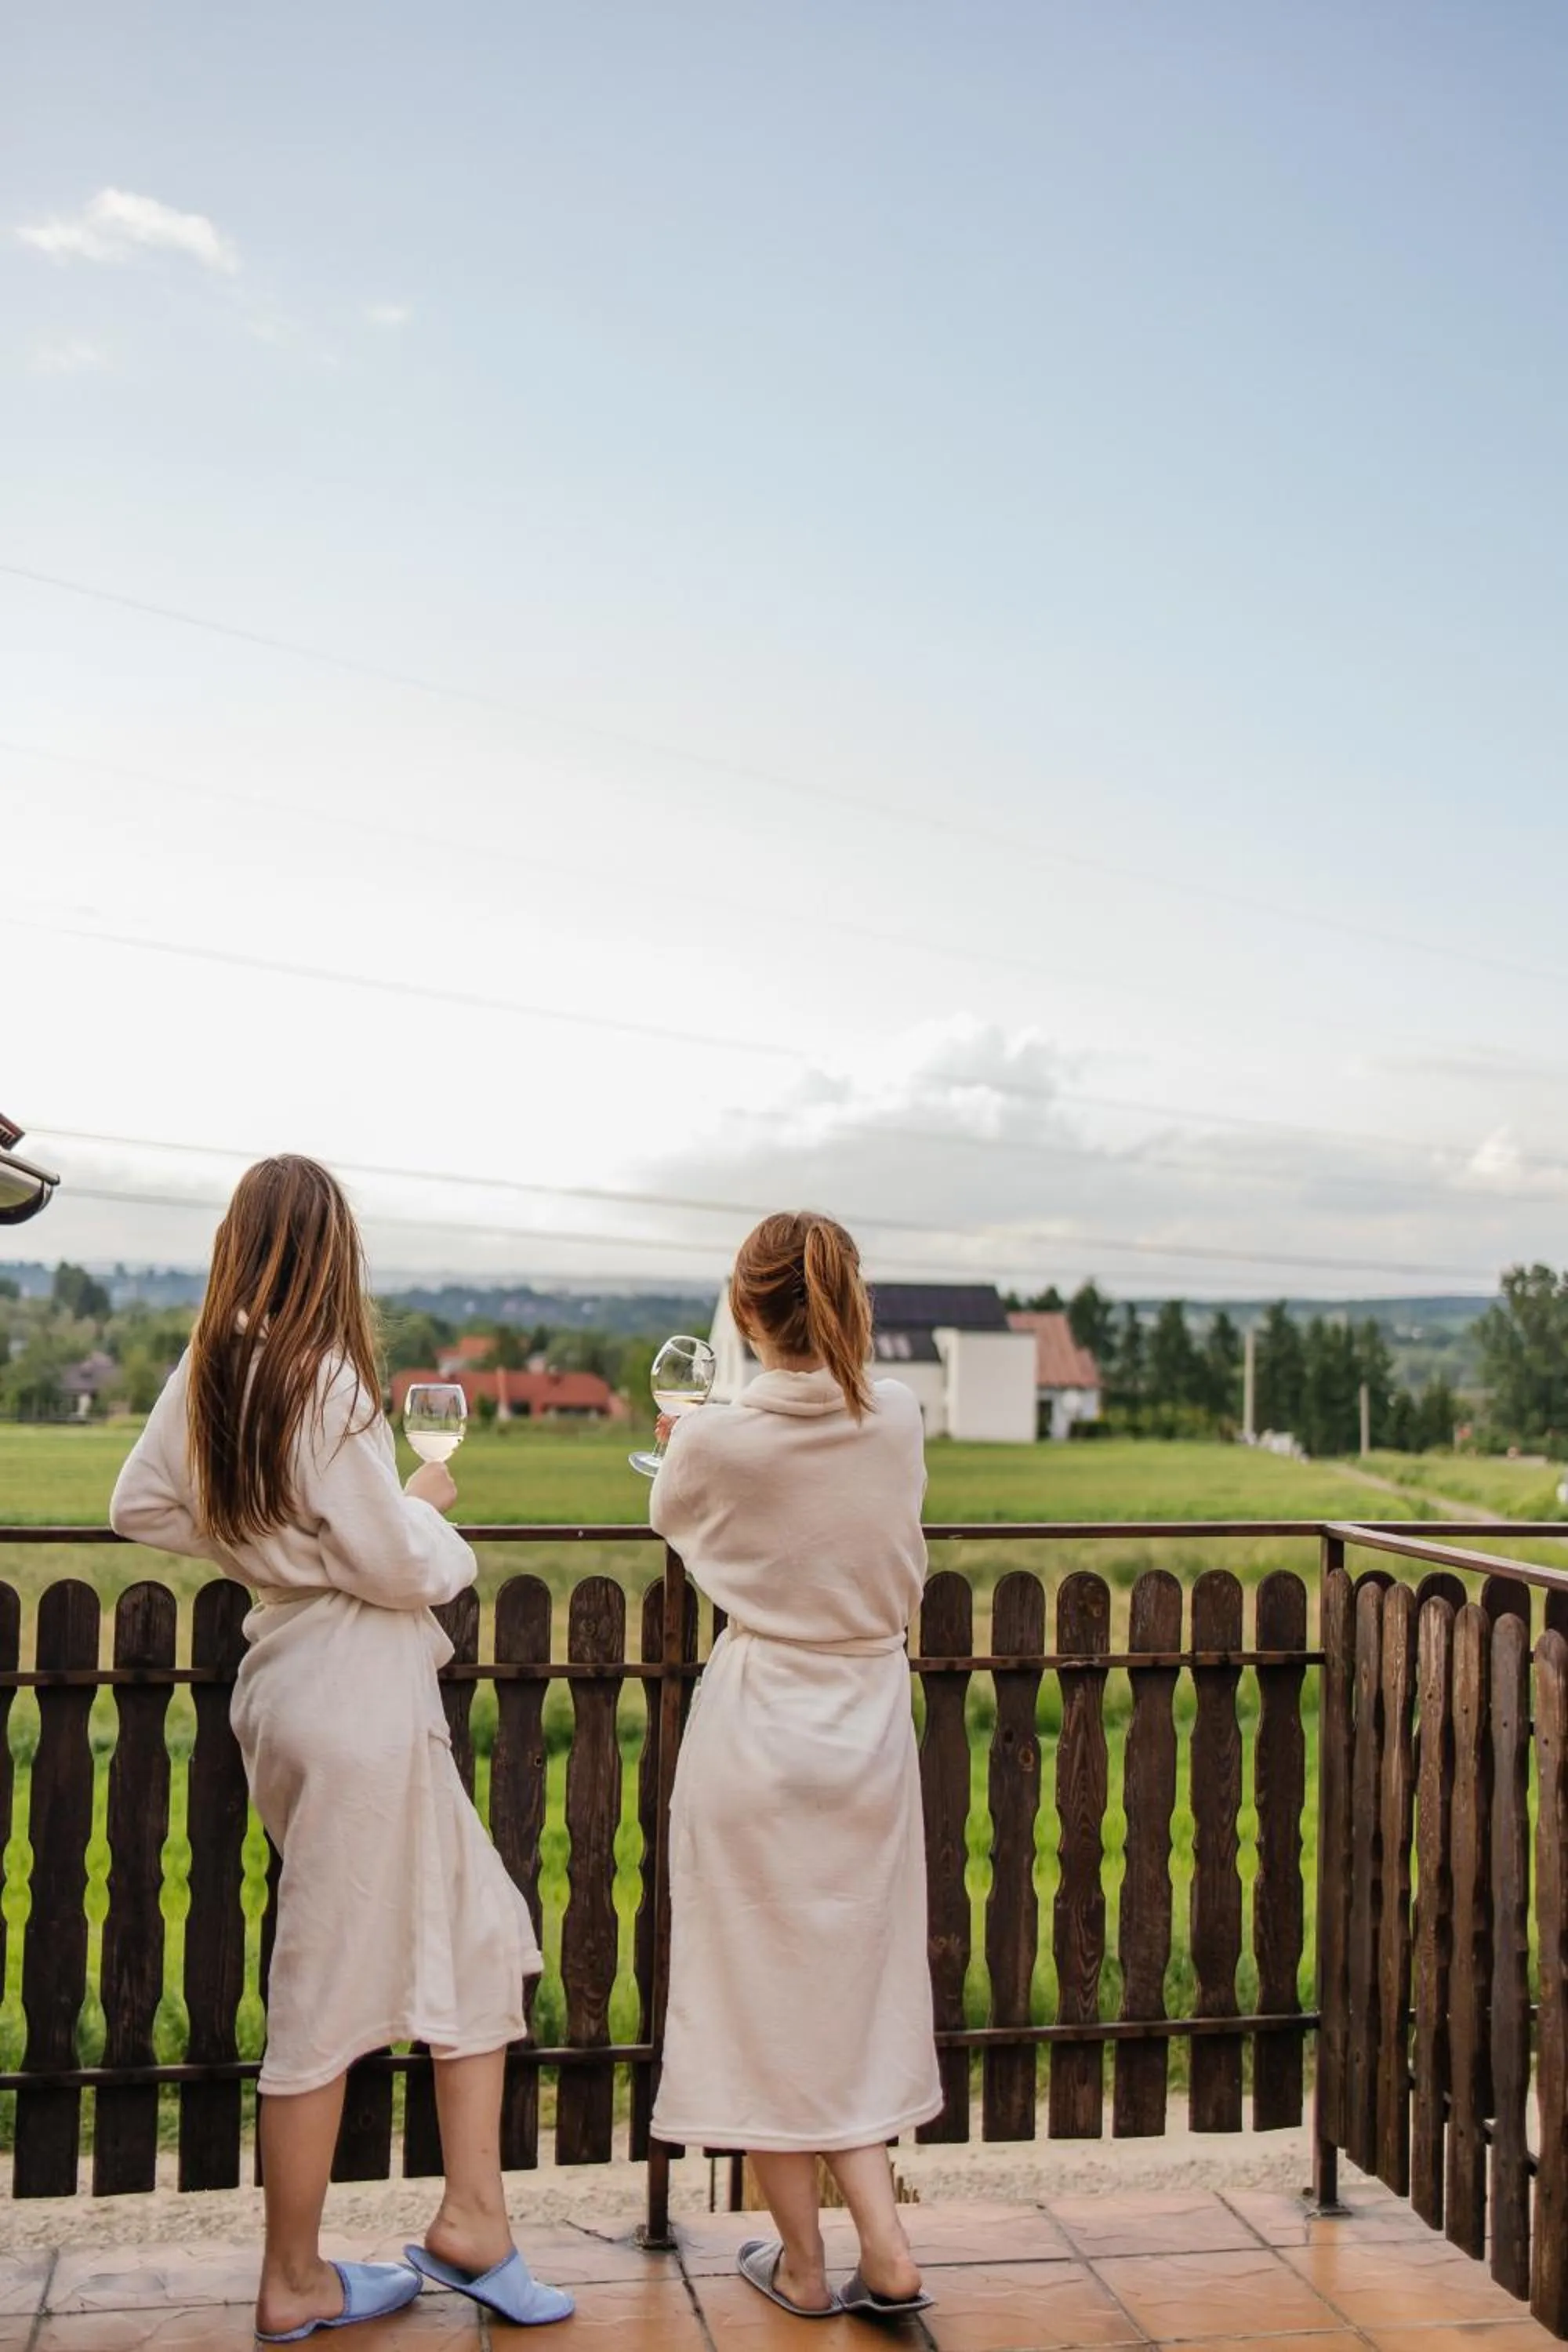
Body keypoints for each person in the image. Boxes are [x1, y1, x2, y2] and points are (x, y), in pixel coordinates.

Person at [111, 1156, 572, 2341]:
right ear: (333, 1253)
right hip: (361, 1690)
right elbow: (399, 1564)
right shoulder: (321, 1382)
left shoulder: (209, 1372)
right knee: (324, 1982)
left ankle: (475, 2223)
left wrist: (262, 1545)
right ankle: (295, 2278)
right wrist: (422, 1505)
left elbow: (142, 1506)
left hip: (294, 1686)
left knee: (478, 1936)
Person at [649, 1211, 941, 2321]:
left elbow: (674, 1512)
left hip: (763, 1731)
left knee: (760, 2004)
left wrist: (692, 1431)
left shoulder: (719, 1440)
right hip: (869, 1736)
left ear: (745, 1310)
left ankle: (809, 2267)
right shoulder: (901, 1417)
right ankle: (889, 2244)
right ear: (849, 1300)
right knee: (847, 2004)